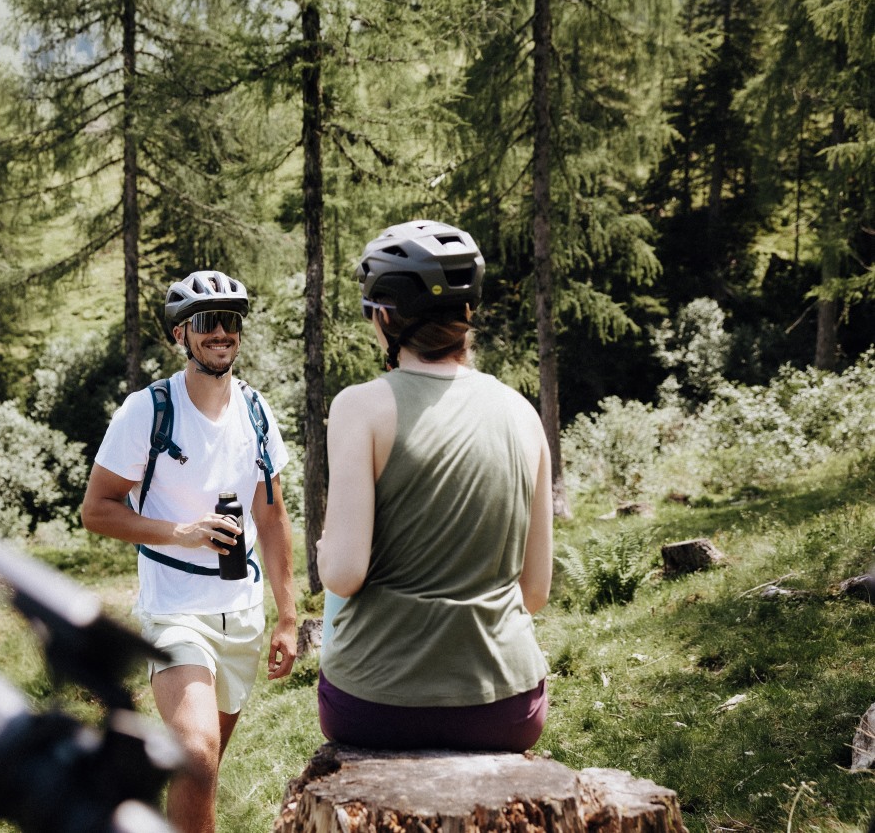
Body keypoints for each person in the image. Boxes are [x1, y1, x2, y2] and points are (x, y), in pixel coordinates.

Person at [316, 219, 554, 752]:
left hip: (374, 705)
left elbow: (345, 574)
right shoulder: (521, 412)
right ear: (468, 314)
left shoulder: (360, 407)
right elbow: (535, 591)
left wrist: (329, 549)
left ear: (384, 317)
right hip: (507, 705)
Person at [81, 269, 297, 833]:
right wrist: (180, 532)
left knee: (200, 770)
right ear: (182, 334)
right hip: (174, 612)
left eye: (231, 322)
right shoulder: (146, 412)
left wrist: (288, 618)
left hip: (243, 615)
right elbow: (96, 509)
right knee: (196, 755)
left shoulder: (257, 413)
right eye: (207, 322)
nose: (221, 333)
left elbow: (272, 517)